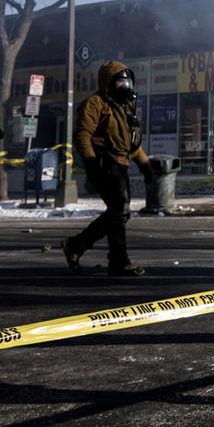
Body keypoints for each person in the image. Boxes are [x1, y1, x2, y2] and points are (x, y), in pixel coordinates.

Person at [61, 61, 154, 277]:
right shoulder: (95, 103)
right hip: (104, 163)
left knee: (118, 212)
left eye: (127, 81)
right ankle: (118, 260)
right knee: (119, 209)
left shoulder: (123, 107)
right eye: (120, 81)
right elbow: (83, 135)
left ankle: (78, 246)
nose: (125, 85)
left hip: (121, 164)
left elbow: (129, 143)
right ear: (108, 82)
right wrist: (91, 161)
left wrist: (145, 164)